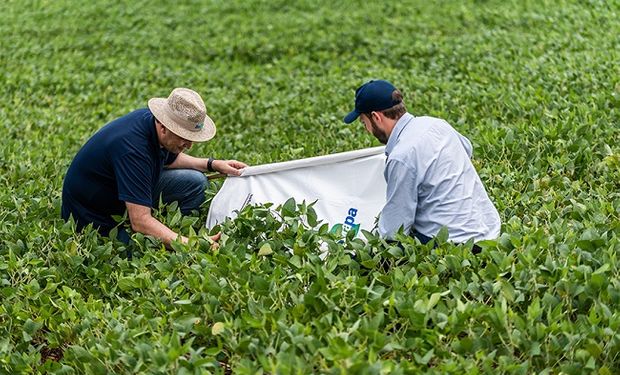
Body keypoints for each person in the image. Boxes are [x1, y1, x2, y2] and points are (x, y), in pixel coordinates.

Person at [61, 87, 247, 246]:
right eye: (184, 138)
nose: (189, 146)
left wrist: (213, 165)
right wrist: (192, 245)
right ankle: (170, 237)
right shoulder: (133, 150)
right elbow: (140, 222)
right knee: (139, 249)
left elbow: (170, 160)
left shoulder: (151, 123)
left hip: (120, 192)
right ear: (164, 127)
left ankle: (171, 232)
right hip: (93, 217)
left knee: (195, 182)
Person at [343, 80, 500, 246]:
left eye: (363, 122)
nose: (367, 130)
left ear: (376, 117)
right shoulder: (437, 124)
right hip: (489, 232)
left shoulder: (401, 155)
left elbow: (395, 230)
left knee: (366, 257)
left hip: (456, 244)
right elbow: (467, 149)